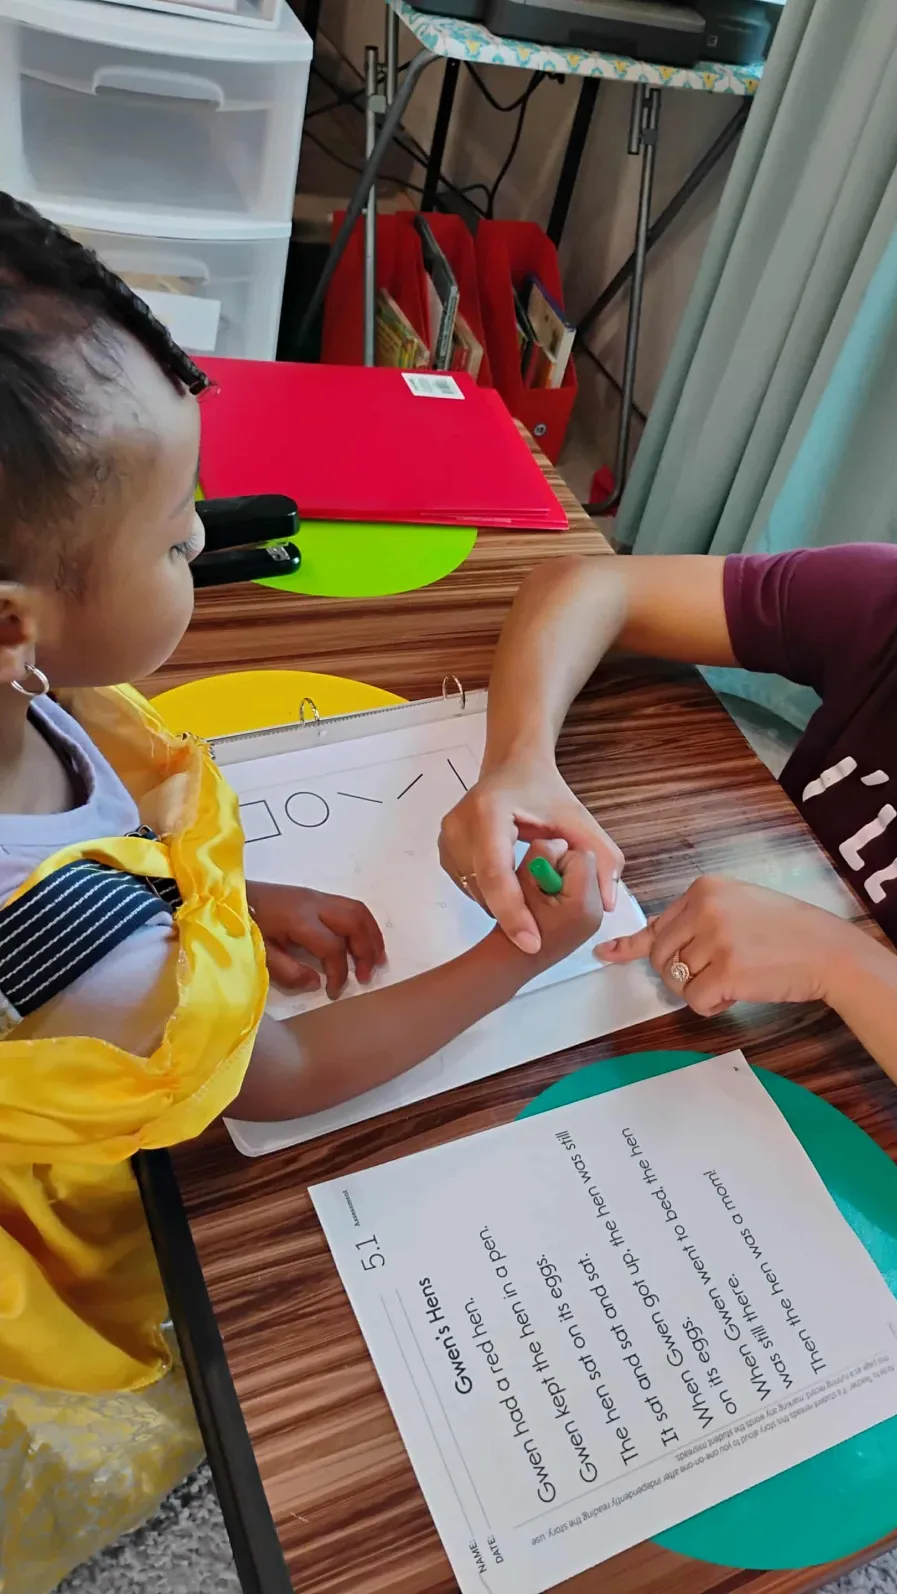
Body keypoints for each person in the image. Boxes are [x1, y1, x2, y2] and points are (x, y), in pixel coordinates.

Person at [0, 194, 601, 1593]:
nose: (203, 537)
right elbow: (279, 1069)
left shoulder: (26, 707)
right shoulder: (56, 924)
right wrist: (525, 950)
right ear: (13, 620)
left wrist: (217, 894)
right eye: (170, 536)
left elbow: (97, 823)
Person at [440, 438, 897, 1320]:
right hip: (682, 1047)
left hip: (848, 1185)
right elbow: (585, 587)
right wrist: (520, 759)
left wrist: (845, 964)